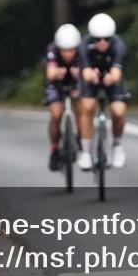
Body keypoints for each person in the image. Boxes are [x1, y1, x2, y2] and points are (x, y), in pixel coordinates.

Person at [79, 13, 129, 169]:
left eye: (106, 39)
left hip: (111, 78)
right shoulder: (84, 45)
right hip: (91, 78)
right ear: (92, 37)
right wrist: (91, 75)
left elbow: (117, 73)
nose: (102, 42)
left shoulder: (118, 45)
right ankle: (86, 152)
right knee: (87, 107)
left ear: (111, 37)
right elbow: (85, 72)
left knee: (119, 111)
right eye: (98, 39)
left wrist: (111, 77)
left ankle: (117, 144)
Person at [43, 24, 87, 171]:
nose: (68, 54)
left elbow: (87, 72)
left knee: (82, 110)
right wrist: (57, 73)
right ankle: (54, 149)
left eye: (71, 50)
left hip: (76, 82)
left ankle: (81, 138)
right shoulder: (52, 49)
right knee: (56, 114)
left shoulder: (82, 51)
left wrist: (80, 74)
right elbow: (50, 74)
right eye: (64, 50)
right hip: (56, 83)